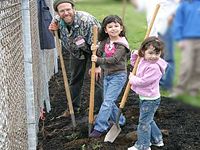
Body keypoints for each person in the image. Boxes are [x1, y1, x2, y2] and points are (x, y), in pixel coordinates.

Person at [48, 0, 103, 114]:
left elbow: (98, 43)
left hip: (95, 50)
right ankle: (73, 109)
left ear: (73, 9)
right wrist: (54, 31)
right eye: (62, 11)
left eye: (68, 9)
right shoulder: (57, 21)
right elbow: (62, 36)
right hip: (77, 52)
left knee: (96, 78)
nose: (66, 13)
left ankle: (98, 110)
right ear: (57, 13)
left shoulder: (86, 21)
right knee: (75, 79)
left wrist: (97, 65)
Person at [89, 15, 130, 138]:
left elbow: (114, 59)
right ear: (105, 30)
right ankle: (120, 121)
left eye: (116, 26)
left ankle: (100, 127)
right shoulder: (105, 41)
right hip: (106, 75)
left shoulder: (121, 44)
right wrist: (94, 49)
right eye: (110, 26)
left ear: (121, 28)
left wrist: (98, 59)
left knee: (107, 102)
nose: (113, 29)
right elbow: (100, 51)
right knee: (109, 101)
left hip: (118, 76)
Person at [128, 36, 167, 150]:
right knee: (148, 120)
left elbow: (143, 82)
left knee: (143, 123)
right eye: (150, 53)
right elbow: (135, 64)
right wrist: (136, 54)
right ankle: (157, 139)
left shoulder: (154, 67)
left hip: (150, 99)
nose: (154, 56)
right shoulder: (144, 60)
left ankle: (143, 145)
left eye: (157, 53)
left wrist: (132, 78)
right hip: (146, 97)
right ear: (143, 52)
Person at [130, 0, 179, 91]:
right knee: (149, 56)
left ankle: (165, 84)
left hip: (165, 28)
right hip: (152, 29)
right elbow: (140, 5)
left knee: (167, 57)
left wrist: (173, 15)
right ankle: (152, 80)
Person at [170, 0, 200, 97]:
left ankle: (194, 90)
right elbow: (178, 22)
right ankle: (180, 89)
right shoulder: (184, 4)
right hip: (187, 39)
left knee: (198, 66)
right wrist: (179, 39)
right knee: (186, 65)